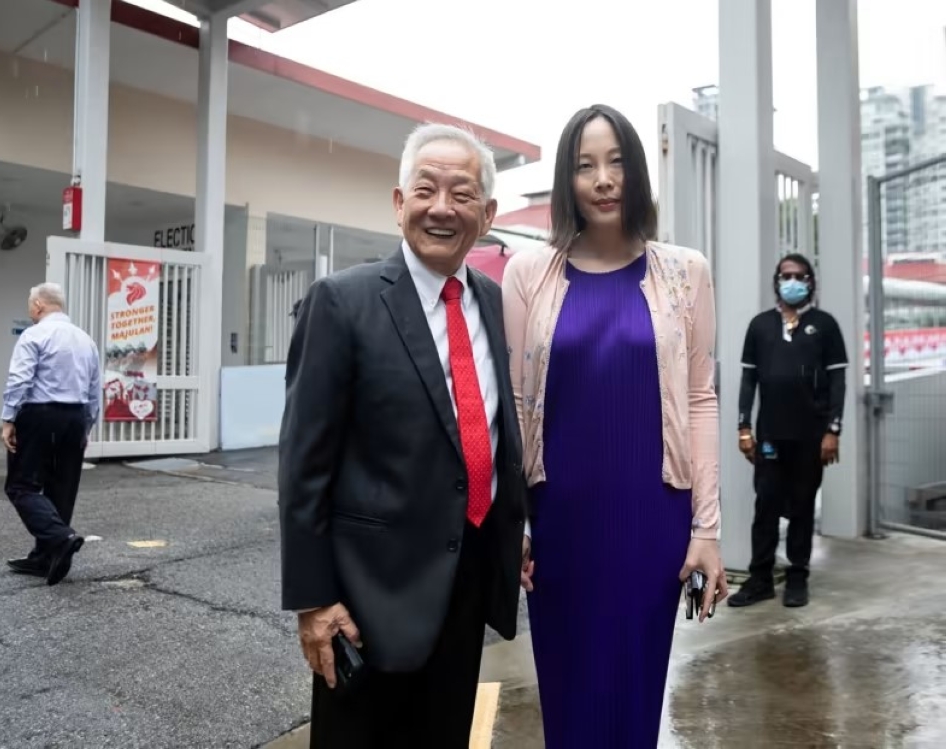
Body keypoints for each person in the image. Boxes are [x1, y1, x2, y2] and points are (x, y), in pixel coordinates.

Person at [278, 123, 529, 749]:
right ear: (399, 203)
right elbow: (303, 465)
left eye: (463, 194)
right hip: (367, 600)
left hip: (466, 582)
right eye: (426, 189)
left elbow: (500, 432)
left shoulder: (497, 307)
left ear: (487, 213)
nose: (442, 208)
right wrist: (314, 600)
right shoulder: (342, 302)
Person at [501, 104, 726, 748]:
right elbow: (517, 404)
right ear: (566, 182)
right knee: (569, 702)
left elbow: (702, 399)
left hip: (652, 516)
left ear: (638, 172)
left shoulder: (686, 273)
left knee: (633, 695)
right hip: (559, 522)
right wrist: (516, 522)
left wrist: (706, 530)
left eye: (617, 161)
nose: (603, 179)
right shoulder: (527, 274)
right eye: (585, 165)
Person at [728, 253, 848, 609]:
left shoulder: (825, 325)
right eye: (785, 275)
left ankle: (797, 577)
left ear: (810, 282)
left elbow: (838, 381)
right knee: (765, 505)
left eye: (799, 275)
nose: (791, 281)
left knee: (801, 506)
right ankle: (760, 579)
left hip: (811, 437)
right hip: (769, 436)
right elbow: (749, 379)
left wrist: (833, 431)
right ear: (776, 281)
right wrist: (743, 427)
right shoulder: (760, 325)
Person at [1, 282, 100, 586]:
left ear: (39, 306)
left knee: (22, 486)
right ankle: (45, 558)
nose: (29, 310)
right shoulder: (86, 340)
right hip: (75, 416)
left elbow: (20, 378)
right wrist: (87, 425)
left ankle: (60, 537)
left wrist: (8, 418)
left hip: (40, 414)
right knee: (62, 487)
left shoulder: (35, 334)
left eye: (30, 304)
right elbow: (96, 388)